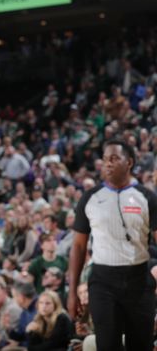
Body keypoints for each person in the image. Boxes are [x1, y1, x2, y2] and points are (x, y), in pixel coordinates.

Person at [68, 139, 157, 351]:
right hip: (102, 281)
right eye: (105, 159)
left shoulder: (147, 198)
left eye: (115, 158)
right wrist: (72, 292)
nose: (108, 163)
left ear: (130, 163)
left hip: (139, 279)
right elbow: (79, 247)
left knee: (141, 345)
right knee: (107, 345)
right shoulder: (89, 198)